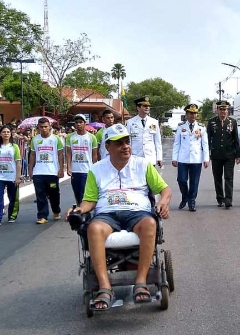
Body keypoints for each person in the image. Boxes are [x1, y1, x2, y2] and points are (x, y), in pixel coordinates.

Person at [66, 123, 172, 310]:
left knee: (149, 223)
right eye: (119, 143)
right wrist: (78, 210)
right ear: (108, 147)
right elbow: (89, 200)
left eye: (127, 141)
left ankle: (140, 282)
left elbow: (165, 190)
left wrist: (163, 201)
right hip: (108, 213)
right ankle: (105, 287)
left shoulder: (143, 165)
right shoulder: (96, 169)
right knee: (93, 228)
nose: (125, 146)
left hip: (137, 211)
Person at [172, 104, 209, 212]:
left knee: (194, 182)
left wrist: (206, 159)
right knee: (181, 180)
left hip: (196, 158)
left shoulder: (201, 127)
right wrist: (174, 158)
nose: (193, 115)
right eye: (191, 113)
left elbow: (205, 144)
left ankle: (191, 201)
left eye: (195, 113)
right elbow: (177, 143)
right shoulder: (181, 126)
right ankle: (185, 197)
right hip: (183, 158)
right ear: (186, 115)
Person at [29, 117, 65, 224]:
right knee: (40, 194)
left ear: (49, 127)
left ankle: (56, 210)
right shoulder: (35, 140)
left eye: (45, 127)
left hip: (52, 173)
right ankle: (42, 215)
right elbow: (32, 154)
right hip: (38, 173)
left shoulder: (56, 139)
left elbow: (60, 154)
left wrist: (61, 169)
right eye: (41, 127)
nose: (44, 129)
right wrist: (30, 169)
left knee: (53, 193)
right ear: (38, 128)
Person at [207, 100, 240, 208]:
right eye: (221, 109)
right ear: (217, 110)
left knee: (229, 178)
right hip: (216, 155)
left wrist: (238, 155)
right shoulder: (212, 122)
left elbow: (236, 139)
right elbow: (208, 139)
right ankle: (220, 198)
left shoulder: (232, 122)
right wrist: (206, 155)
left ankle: (228, 200)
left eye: (225, 109)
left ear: (227, 110)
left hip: (229, 155)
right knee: (217, 178)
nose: (223, 111)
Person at [0, 125, 22, 225]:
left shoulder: (14, 147)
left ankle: (12, 215)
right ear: (0, 134)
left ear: (10, 134)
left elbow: (18, 163)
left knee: (13, 197)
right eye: (4, 132)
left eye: (8, 132)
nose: (6, 134)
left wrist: (18, 177)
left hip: (12, 176)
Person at [66, 114, 99, 206]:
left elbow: (94, 155)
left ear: (85, 123)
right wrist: (68, 167)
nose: (78, 124)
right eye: (76, 122)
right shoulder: (70, 137)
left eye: (81, 122)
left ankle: (84, 212)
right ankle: (80, 208)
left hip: (87, 170)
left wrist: (94, 168)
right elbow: (69, 153)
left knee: (83, 193)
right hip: (75, 170)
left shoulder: (92, 137)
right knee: (77, 192)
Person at [126, 96, 163, 167]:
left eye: (148, 106)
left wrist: (159, 158)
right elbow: (128, 141)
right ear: (138, 108)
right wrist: (128, 156)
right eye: (145, 106)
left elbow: (157, 142)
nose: (147, 108)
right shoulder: (130, 122)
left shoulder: (154, 122)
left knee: (149, 178)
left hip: (150, 157)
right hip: (135, 157)